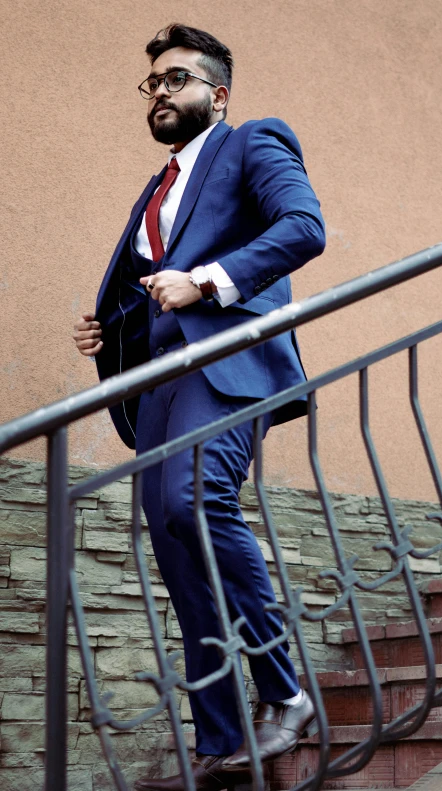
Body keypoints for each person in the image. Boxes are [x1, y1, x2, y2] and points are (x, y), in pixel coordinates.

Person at [73, 23, 325, 791]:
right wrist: (108, 328)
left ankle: (285, 690)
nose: (161, 93)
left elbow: (301, 228)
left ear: (217, 94)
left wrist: (207, 279)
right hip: (158, 382)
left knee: (195, 501)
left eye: (177, 79)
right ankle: (220, 733)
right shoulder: (155, 188)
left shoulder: (251, 143)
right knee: (177, 543)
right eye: (152, 82)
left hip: (225, 364)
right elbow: (152, 281)